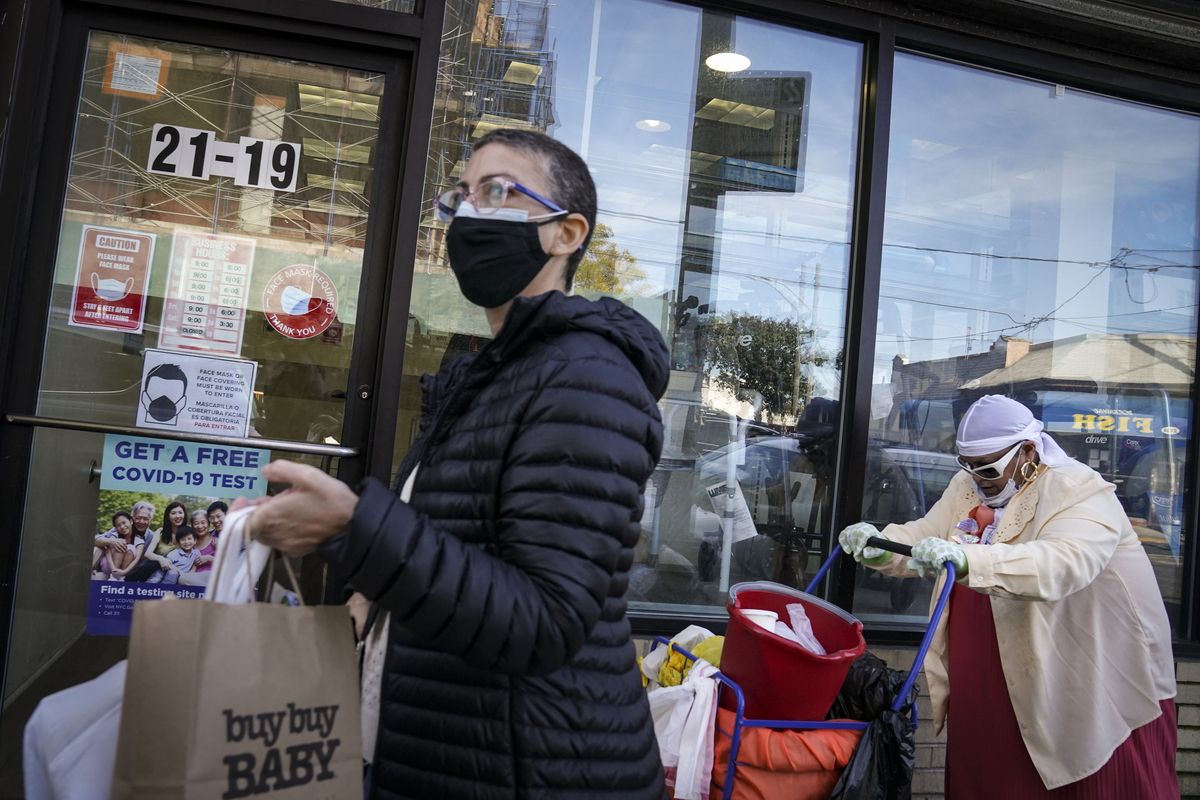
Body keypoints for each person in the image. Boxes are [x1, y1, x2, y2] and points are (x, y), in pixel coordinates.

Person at [242, 128, 667, 799]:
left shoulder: (587, 379)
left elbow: (546, 619)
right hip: (452, 748)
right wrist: (365, 597)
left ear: (567, 233)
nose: (470, 212)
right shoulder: (494, 373)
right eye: (462, 196)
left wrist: (351, 529)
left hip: (529, 768)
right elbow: (453, 543)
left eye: (498, 191)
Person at [839, 394, 1177, 798]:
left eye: (988, 467)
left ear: (1029, 451)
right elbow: (927, 533)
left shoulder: (1080, 490)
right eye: (967, 464)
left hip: (1075, 669)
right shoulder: (968, 486)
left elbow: (1061, 563)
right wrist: (881, 543)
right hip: (987, 672)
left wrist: (967, 559)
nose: (977, 477)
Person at [125, 500, 185, 583]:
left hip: (175, 570)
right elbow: (148, 554)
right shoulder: (160, 532)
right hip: (157, 567)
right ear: (168, 516)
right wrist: (160, 559)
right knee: (153, 566)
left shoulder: (188, 533)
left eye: (180, 512)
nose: (177, 516)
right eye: (173, 513)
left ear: (184, 514)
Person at [92, 511, 144, 580]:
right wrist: (113, 569)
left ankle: (120, 578)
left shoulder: (139, 540)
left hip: (125, 570)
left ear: (131, 521)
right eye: (118, 525)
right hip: (109, 565)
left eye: (124, 523)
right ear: (116, 528)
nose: (122, 527)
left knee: (130, 547)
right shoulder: (115, 535)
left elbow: (136, 560)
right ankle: (113, 577)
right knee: (121, 542)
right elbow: (108, 551)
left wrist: (124, 572)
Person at [179, 509, 216, 586]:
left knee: (183, 579)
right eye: (196, 523)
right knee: (181, 579)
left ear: (208, 524)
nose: (200, 526)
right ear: (192, 526)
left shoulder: (216, 541)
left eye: (203, 523)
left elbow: (226, 565)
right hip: (193, 581)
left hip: (212, 577)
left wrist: (209, 558)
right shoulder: (188, 543)